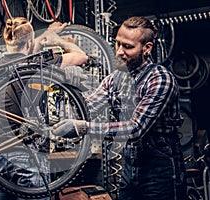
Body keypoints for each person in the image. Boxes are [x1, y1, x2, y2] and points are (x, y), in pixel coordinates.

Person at [53, 16, 187, 200]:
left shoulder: (160, 79)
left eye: (128, 47)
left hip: (160, 170)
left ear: (147, 48)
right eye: (118, 44)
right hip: (131, 166)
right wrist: (69, 90)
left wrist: (83, 127)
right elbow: (86, 108)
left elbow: (135, 129)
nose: (119, 52)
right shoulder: (114, 80)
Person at [0, 17, 89, 200]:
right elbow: (81, 56)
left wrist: (45, 34)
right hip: (29, 157)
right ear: (29, 42)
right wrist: (57, 40)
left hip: (0, 158)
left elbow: (23, 50)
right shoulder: (37, 63)